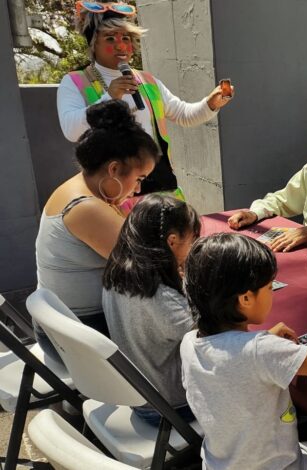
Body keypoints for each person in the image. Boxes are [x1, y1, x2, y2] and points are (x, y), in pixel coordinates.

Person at [180, 233, 307, 469]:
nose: (272, 293)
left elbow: (232, 359)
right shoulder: (261, 351)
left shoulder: (189, 341)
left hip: (221, 464)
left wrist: (263, 341)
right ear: (245, 298)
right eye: (269, 287)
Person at [57, 2, 232, 202]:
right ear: (93, 43)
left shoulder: (147, 81)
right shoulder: (75, 81)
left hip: (158, 186)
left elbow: (183, 115)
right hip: (113, 191)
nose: (121, 45)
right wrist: (109, 98)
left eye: (126, 38)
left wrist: (210, 104)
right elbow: (71, 130)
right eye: (110, 38)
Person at [35, 99, 159, 358]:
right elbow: (150, 268)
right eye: (139, 179)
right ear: (113, 169)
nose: (138, 189)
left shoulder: (78, 187)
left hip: (62, 330)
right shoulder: (87, 208)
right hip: (82, 341)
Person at [102, 194, 199, 425]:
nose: (194, 247)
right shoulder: (160, 296)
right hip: (173, 407)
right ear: (172, 241)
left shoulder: (119, 271)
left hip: (142, 396)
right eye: (193, 240)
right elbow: (213, 338)